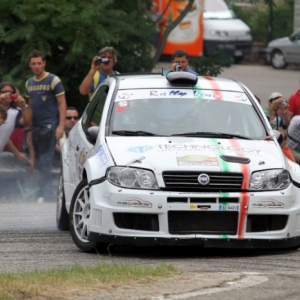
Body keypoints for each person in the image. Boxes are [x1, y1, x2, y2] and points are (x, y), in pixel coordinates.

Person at [25, 49, 67, 203]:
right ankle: (46, 192)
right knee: (39, 162)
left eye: (39, 63)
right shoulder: (29, 83)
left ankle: (45, 194)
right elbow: (30, 106)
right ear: (30, 65)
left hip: (50, 125)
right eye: (33, 64)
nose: (36, 66)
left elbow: (62, 103)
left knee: (45, 160)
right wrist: (28, 127)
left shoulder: (53, 80)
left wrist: (61, 126)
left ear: (44, 63)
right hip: (35, 126)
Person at [0, 82, 30, 164]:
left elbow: (26, 122)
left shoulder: (15, 112)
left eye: (12, 92)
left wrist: (24, 106)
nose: (8, 94)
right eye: (4, 92)